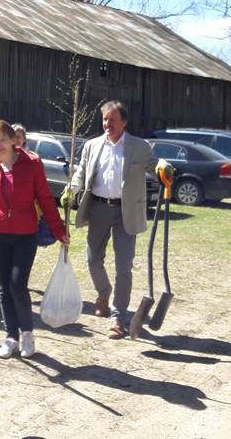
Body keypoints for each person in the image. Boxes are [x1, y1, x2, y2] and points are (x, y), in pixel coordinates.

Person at [0, 120, 67, 359]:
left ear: (13, 140)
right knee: (4, 290)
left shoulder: (32, 164)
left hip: (25, 235)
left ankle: (27, 333)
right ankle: (11, 337)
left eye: (2, 140)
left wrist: (59, 229)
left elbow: (45, 199)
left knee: (17, 284)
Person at [63, 100, 154, 340]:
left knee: (123, 267)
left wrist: (165, 169)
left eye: (112, 120)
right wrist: (71, 188)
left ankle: (118, 316)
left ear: (123, 122)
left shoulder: (139, 146)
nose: (107, 124)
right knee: (93, 260)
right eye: (104, 119)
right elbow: (82, 172)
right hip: (99, 208)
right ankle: (103, 293)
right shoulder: (92, 146)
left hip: (127, 212)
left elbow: (154, 166)